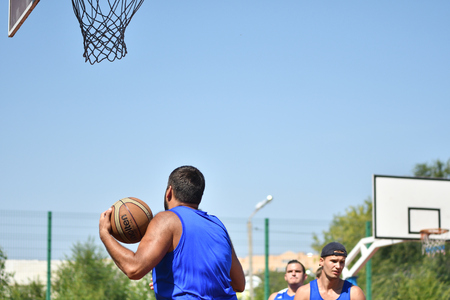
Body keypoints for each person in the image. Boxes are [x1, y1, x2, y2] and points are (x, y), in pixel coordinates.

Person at [99, 165, 246, 299]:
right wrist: (172, 279)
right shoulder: (217, 225)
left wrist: (105, 234)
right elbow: (239, 284)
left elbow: (134, 268)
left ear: (169, 191)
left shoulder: (167, 219)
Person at [294, 242, 366, 300]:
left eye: (342, 262)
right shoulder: (304, 293)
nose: (338, 266)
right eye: (333, 261)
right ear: (321, 261)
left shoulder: (354, 293)